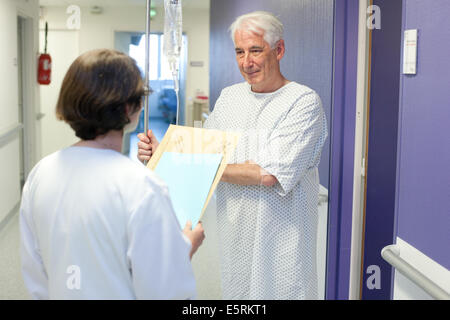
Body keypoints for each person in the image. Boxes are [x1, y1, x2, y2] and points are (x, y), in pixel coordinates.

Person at [138, 11, 328, 300]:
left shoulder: (303, 103)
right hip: (236, 239)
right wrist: (159, 154)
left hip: (283, 244)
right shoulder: (229, 98)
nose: (246, 62)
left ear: (279, 50)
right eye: (239, 52)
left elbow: (268, 174)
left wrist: (189, 159)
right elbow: (202, 153)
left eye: (255, 50)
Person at [19, 49, 205, 300]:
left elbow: (36, 276)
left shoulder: (40, 174)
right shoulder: (142, 186)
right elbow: (166, 291)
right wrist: (186, 247)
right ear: (131, 108)